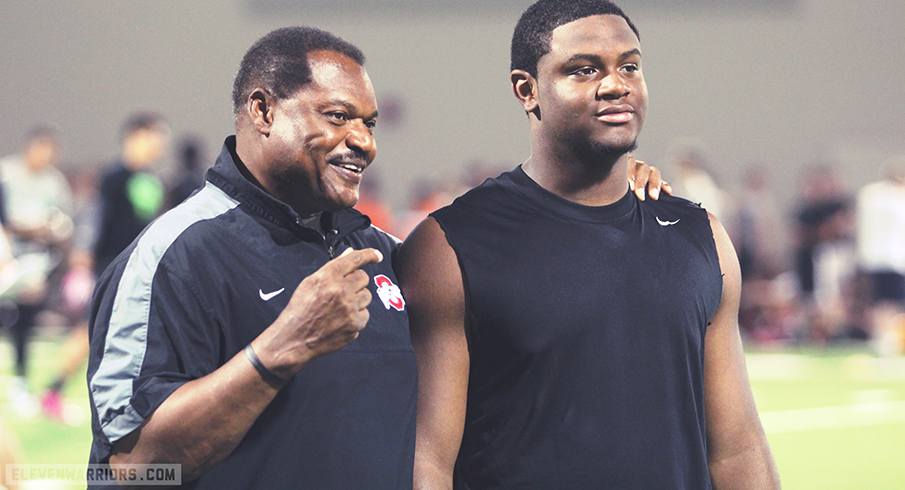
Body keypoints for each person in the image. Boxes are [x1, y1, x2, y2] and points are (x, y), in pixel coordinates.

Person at [395, 1, 780, 488]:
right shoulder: (450, 246)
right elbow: (426, 461)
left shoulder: (700, 236)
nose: (616, 84)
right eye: (583, 69)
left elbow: (738, 447)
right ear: (527, 90)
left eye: (630, 66)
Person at [0, 126, 74, 416]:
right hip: (6, 255)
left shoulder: (54, 183)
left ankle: (20, 381)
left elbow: (64, 223)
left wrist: (52, 233)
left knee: (24, 321)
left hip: (34, 263)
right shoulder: (7, 174)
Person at [92, 113, 169, 278]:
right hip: (113, 262)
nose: (159, 144)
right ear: (135, 137)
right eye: (153, 137)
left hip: (143, 263)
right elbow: (99, 219)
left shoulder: (156, 180)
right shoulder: (113, 178)